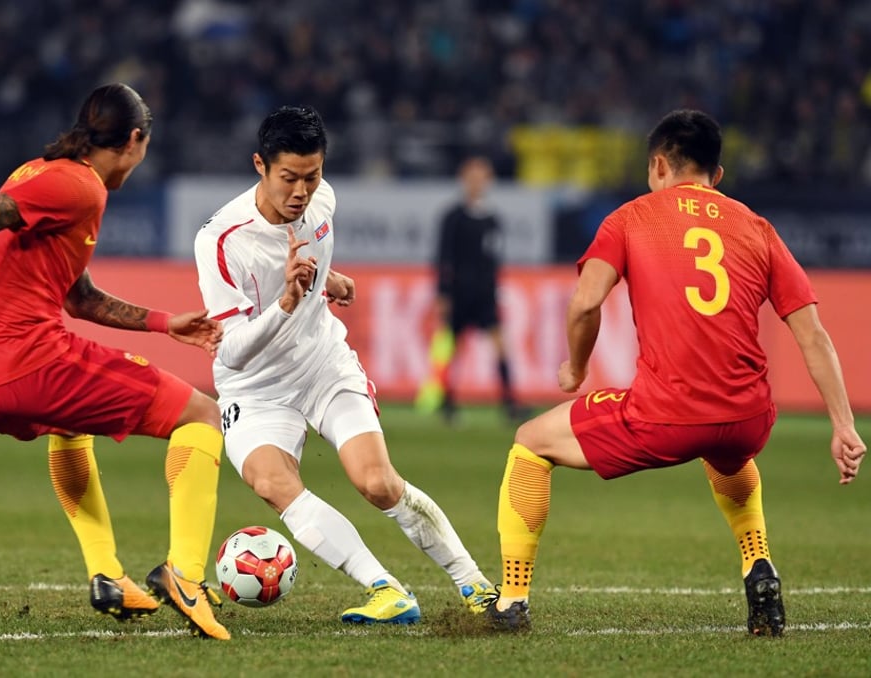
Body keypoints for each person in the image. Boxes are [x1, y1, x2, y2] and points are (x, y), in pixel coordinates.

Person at [0, 83, 232, 641]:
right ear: (133, 140)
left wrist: (162, 322)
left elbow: (78, 298)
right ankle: (187, 576)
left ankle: (106, 574)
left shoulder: (39, 174)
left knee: (70, 427)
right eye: (144, 147)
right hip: (28, 359)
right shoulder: (78, 186)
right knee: (201, 415)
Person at [485, 109, 865, 636]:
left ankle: (511, 599)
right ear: (718, 176)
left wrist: (575, 367)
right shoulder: (758, 227)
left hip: (665, 416)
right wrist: (844, 426)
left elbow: (584, 303)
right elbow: (813, 335)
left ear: (659, 165)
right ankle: (759, 562)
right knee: (725, 451)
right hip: (749, 416)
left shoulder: (633, 216)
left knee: (530, 443)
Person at [193, 105, 495, 624]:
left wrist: (328, 279)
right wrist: (287, 301)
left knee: (376, 482)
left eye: (312, 177)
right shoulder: (220, 241)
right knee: (272, 482)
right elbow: (232, 349)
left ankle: (477, 586)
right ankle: (385, 590)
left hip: (323, 364)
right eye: (288, 178)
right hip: (255, 386)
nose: (301, 192)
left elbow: (312, 248)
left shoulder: (322, 200)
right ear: (259, 166)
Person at [420, 155, 524, 423]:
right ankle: (447, 400)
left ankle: (510, 402)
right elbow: (443, 258)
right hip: (458, 294)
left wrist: (496, 289)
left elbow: (493, 260)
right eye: (472, 177)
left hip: (485, 295)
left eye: (482, 177)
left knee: (500, 344)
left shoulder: (492, 219)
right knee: (452, 347)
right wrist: (443, 293)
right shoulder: (453, 217)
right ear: (463, 180)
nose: (477, 182)